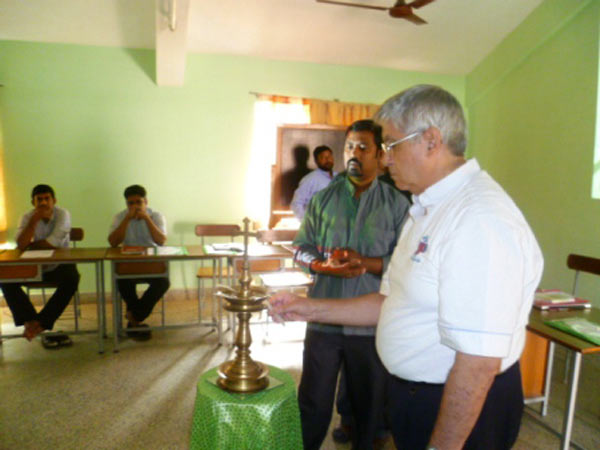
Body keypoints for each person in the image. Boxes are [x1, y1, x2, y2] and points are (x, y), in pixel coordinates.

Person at [271, 85, 544, 450]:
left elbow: (478, 362)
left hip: (459, 409)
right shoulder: (427, 208)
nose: (385, 159)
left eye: (391, 145)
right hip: (420, 397)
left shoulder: (478, 219)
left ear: (431, 141)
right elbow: (392, 301)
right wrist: (309, 308)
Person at [292, 120, 409, 450]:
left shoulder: (397, 204)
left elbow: (407, 263)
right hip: (324, 319)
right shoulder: (323, 199)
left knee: (369, 405)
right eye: (349, 147)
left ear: (380, 155)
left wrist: (367, 263)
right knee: (312, 401)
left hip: (370, 325)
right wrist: (319, 265)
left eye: (363, 147)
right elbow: (301, 247)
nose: (354, 154)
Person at [0, 184, 80, 347]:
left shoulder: (62, 214)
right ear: (33, 202)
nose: (43, 203)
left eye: (47, 199)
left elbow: (53, 243)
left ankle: (42, 322)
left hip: (59, 264)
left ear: (54, 200)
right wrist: (34, 221)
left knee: (72, 278)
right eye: (39, 199)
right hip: (34, 265)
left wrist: (30, 245)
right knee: (5, 279)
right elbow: (21, 244)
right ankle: (31, 321)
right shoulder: (27, 216)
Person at [108, 184, 169, 340]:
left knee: (163, 282)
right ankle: (135, 320)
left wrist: (147, 218)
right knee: (122, 281)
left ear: (146, 202)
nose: (135, 206)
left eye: (139, 202)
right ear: (126, 204)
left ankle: (134, 317)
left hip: (151, 264)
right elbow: (113, 243)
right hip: (129, 264)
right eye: (131, 203)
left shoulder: (156, 216)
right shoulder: (120, 217)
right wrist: (127, 219)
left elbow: (161, 241)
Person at [291, 145, 337, 219]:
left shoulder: (339, 178)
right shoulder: (310, 179)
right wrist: (307, 223)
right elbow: (296, 203)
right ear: (316, 161)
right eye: (323, 157)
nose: (328, 159)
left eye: (329, 156)